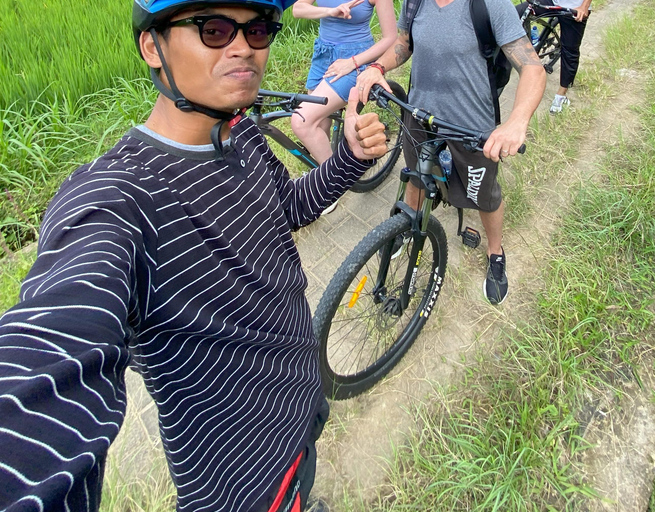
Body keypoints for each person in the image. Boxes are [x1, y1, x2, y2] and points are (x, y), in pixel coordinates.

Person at [0, 0, 387, 510]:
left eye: (258, 30)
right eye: (215, 29)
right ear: (151, 46)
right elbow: (50, 362)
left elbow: (286, 209)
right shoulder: (119, 198)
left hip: (302, 395)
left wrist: (349, 159)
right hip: (242, 477)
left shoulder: (239, 130)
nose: (243, 48)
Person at [356, 0, 546, 305]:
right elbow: (404, 45)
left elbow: (533, 68)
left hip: (472, 127)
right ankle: (409, 227)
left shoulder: (490, 4)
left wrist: (516, 122)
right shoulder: (415, 2)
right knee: (416, 179)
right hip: (419, 116)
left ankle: (495, 251)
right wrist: (377, 68)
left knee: (484, 195)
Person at [290, 0, 396, 214]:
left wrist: (353, 62)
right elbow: (297, 8)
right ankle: (323, 172)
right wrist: (329, 11)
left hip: (356, 58)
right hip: (323, 54)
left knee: (301, 121)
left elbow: (391, 38)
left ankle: (330, 187)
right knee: (318, 123)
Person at [516, 0, 591, 113]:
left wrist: (584, 6)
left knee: (570, 51)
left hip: (574, 7)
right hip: (551, 1)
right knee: (516, 13)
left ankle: (561, 95)